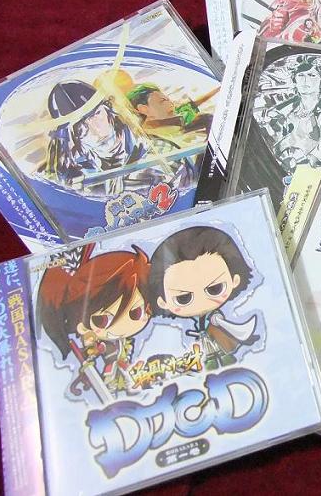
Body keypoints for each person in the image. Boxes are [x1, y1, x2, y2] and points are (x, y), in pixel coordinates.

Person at [42, 80, 195, 196]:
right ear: (71, 134)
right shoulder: (75, 177)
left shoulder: (163, 152)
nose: (95, 130)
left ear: (109, 110)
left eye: (96, 114)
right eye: (80, 125)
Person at [37, 244, 153, 396]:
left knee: (125, 375)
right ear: (82, 326)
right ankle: (114, 387)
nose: (121, 325)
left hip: (124, 364)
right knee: (112, 377)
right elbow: (96, 351)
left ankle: (126, 386)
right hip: (112, 366)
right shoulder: (101, 342)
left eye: (136, 312)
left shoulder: (124, 341)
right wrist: (91, 353)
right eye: (103, 320)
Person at [146, 226, 259, 370]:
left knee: (219, 347)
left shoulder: (215, 316)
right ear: (162, 302)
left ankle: (225, 358)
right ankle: (213, 360)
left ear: (234, 280)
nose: (201, 302)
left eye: (215, 289)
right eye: (183, 298)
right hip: (204, 339)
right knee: (209, 350)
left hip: (215, 336)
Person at [127, 82, 217, 145]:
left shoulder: (175, 117)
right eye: (163, 101)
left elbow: (196, 104)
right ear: (144, 109)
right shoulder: (147, 138)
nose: (171, 103)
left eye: (168, 99)